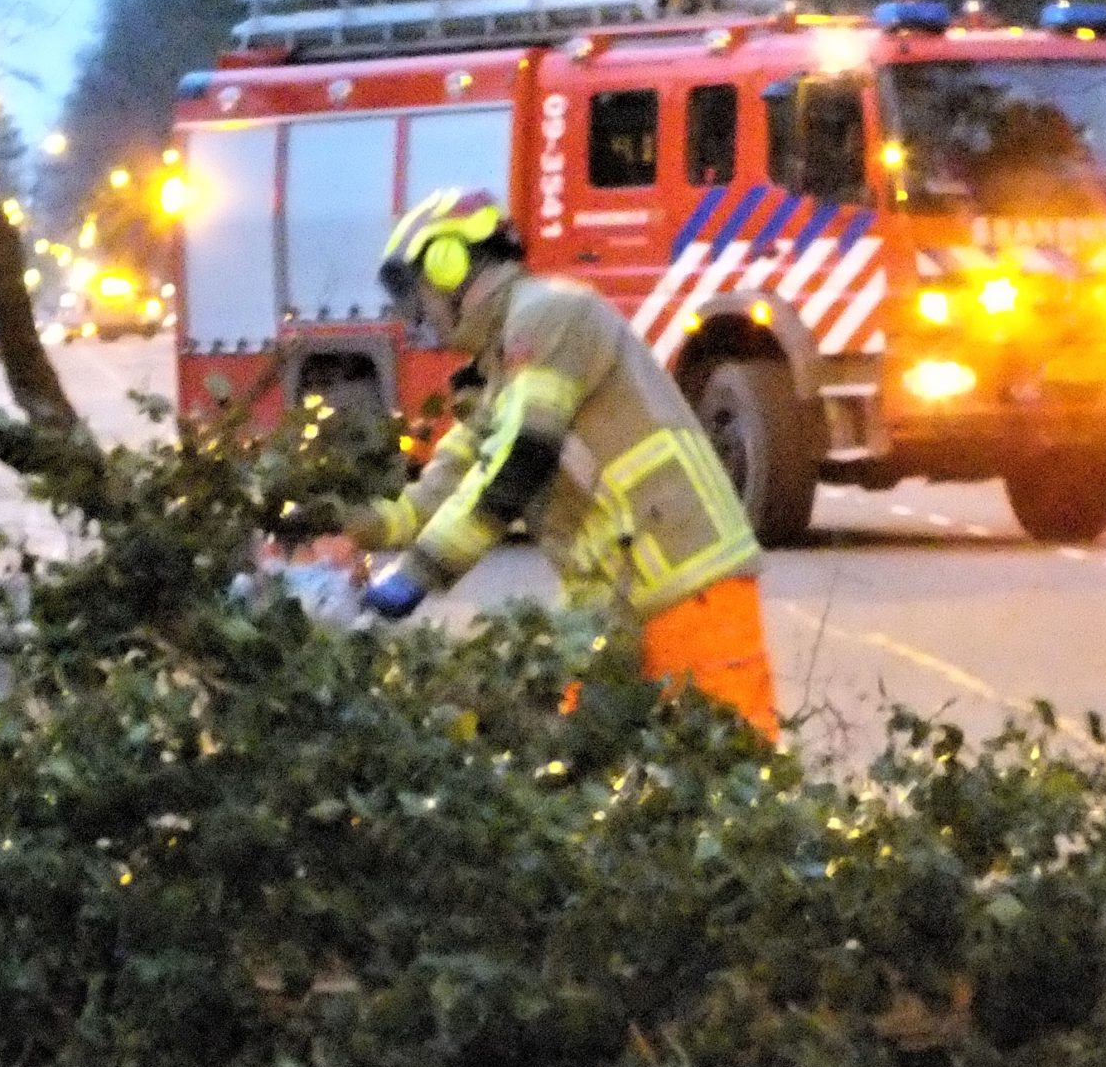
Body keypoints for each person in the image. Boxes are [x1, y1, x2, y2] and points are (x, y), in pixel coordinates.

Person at [293, 187, 779, 740]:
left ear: (449, 264)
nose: (418, 312)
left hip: (690, 586)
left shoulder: (550, 316)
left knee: (730, 768)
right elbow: (430, 498)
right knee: (584, 781)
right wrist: (340, 524)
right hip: (612, 605)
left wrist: (417, 575)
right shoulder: (496, 373)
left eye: (418, 292)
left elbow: (522, 457)